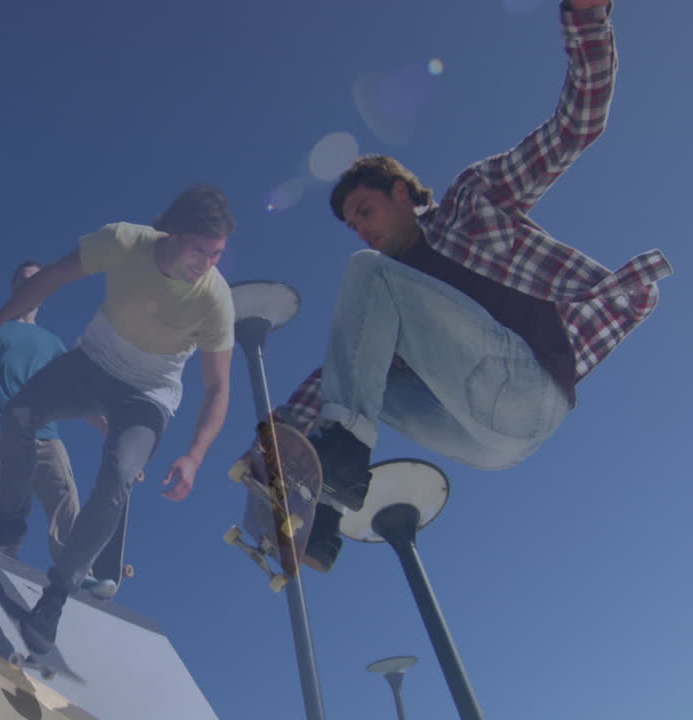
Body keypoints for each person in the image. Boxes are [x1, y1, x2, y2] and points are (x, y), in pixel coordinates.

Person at [269, 0, 672, 571]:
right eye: (353, 224)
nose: (362, 230)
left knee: (369, 278)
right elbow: (341, 370)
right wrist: (278, 440)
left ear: (402, 193)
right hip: (486, 444)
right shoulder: (391, 298)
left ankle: (337, 474)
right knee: (356, 366)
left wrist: (586, 19)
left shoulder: (472, 203)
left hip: (529, 388)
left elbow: (576, 127)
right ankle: (322, 513)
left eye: (365, 210)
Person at [0, 184, 236, 654]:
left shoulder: (215, 300)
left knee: (119, 476)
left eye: (217, 255)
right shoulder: (124, 241)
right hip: (93, 364)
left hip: (149, 394)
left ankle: (57, 595)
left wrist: (195, 454)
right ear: (171, 233)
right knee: (20, 412)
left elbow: (218, 386)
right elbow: (54, 277)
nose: (205, 264)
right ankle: (7, 522)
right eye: (198, 250)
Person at [0, 261, 120, 599]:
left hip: (45, 433)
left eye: (38, 281)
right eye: (26, 281)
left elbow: (73, 393)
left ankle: (74, 569)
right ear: (15, 288)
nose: (33, 286)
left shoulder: (53, 344)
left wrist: (104, 425)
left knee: (64, 495)